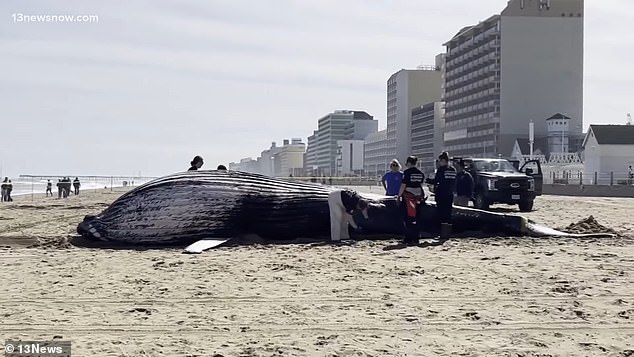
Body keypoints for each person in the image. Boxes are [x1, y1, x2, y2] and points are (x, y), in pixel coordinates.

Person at [425, 152, 456, 240]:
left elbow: (437, 181)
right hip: (450, 194)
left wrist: (428, 180)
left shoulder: (441, 169)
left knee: (441, 213)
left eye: (440, 161)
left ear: (443, 160)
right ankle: (447, 234)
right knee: (448, 213)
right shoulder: (453, 170)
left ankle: (441, 233)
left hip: (441, 194)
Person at [398, 156, 426, 245]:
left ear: (409, 163)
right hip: (418, 198)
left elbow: (403, 185)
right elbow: (420, 185)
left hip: (408, 198)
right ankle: (416, 237)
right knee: (417, 218)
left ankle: (408, 238)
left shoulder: (407, 173)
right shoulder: (421, 173)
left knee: (408, 218)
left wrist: (399, 196)